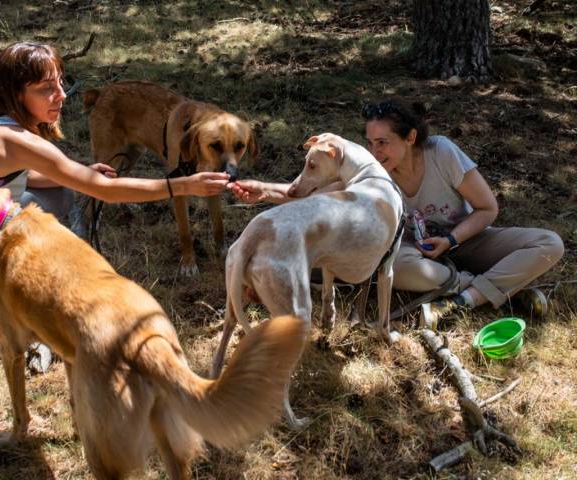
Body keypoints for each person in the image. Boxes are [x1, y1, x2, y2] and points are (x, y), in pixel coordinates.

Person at [0, 42, 229, 360]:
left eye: (60, 81)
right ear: (17, 93)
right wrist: (182, 185)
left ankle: (5, 308)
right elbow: (106, 191)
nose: (62, 94)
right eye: (46, 88)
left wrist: (80, 174)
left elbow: (26, 176)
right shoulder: (13, 140)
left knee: (59, 194)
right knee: (71, 291)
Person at [229, 100, 564, 328]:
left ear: (411, 137)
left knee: (549, 243)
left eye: (384, 142)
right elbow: (311, 198)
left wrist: (450, 239)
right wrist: (263, 191)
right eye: (370, 143)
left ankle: (464, 298)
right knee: (391, 268)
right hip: (410, 252)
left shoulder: (441, 153)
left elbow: (488, 208)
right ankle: (495, 292)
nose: (375, 151)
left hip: (465, 237)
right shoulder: (368, 172)